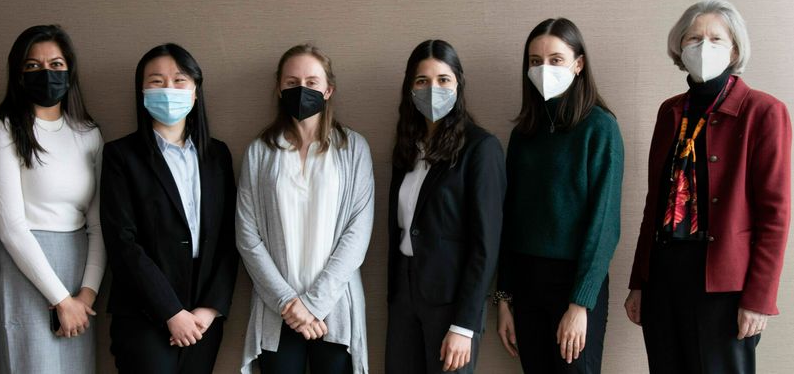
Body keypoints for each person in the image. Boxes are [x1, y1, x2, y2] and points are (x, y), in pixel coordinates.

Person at [624, 0, 791, 374]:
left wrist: (759, 298)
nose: (703, 46)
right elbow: (655, 204)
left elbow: (775, 216)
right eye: (693, 38)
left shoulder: (763, 112)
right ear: (679, 48)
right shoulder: (670, 111)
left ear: (734, 49)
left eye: (716, 38)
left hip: (724, 287)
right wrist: (639, 282)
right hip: (664, 278)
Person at [495, 18, 624, 373]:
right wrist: (504, 298)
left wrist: (580, 304)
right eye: (535, 61)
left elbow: (605, 225)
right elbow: (510, 220)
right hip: (526, 282)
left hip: (575, 282)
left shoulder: (600, 128)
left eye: (555, 59)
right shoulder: (524, 133)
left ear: (578, 64)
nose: (544, 68)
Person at [236, 44, 374, 374]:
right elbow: (247, 235)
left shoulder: (353, 148)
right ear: (279, 89)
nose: (302, 89)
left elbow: (358, 232)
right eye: (292, 82)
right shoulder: (260, 152)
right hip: (277, 309)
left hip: (335, 306)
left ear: (328, 90)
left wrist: (312, 304)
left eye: (312, 82)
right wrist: (287, 303)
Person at [101, 43, 239, 373]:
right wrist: (171, 313)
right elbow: (123, 243)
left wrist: (209, 309)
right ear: (142, 91)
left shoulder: (217, 155)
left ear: (195, 92)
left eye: (179, 80)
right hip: (144, 309)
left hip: (204, 310)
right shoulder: (121, 155)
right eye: (156, 81)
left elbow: (230, 237)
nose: (169, 90)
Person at [0, 25, 105, 373]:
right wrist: (61, 300)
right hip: (24, 267)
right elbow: (12, 228)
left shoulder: (88, 133)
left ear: (70, 70)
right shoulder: (1, 128)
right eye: (32, 66)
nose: (46, 73)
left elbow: (97, 224)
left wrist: (84, 297)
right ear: (18, 74)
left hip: (78, 268)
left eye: (56, 64)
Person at [385, 39, 505, 374]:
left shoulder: (481, 148)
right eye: (422, 80)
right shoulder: (408, 148)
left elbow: (486, 244)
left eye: (443, 79)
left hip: (452, 301)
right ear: (410, 87)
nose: (432, 88)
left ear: (458, 85)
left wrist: (465, 324)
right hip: (405, 293)